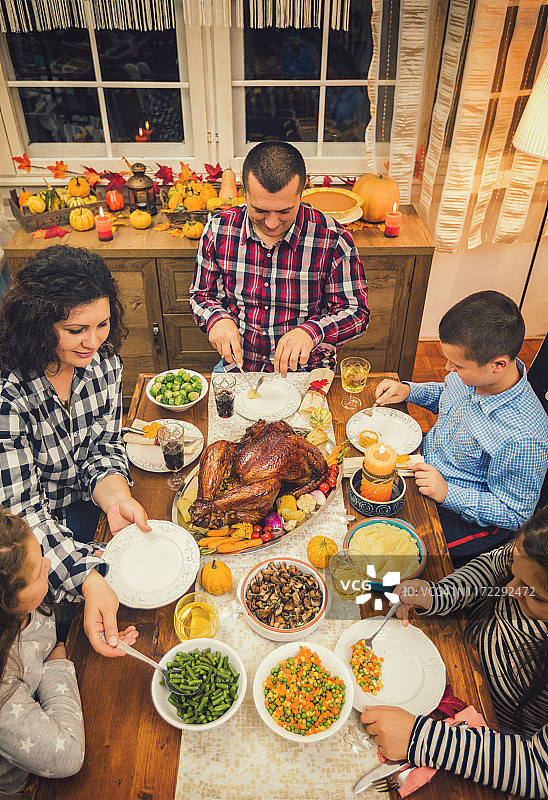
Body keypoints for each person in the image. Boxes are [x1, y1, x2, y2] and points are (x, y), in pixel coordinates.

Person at [0, 245, 151, 658]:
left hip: (88, 507)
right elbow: (23, 513)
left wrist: (116, 496)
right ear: (37, 324)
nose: (93, 342)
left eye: (103, 324)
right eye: (75, 329)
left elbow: (103, 446)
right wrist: (86, 576)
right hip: (31, 544)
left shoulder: (104, 363)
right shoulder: (8, 396)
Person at [360, 506, 548, 798]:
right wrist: (436, 594)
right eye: (515, 571)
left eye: (533, 594)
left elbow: (538, 768)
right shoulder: (530, 556)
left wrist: (420, 739)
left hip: (498, 741)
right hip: (463, 653)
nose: (510, 589)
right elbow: (492, 567)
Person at [374, 291, 548, 566]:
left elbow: (515, 514)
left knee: (386, 552)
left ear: (497, 365)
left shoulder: (524, 438)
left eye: (457, 365)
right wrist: (409, 390)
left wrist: (447, 493)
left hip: (463, 516)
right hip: (424, 465)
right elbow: (447, 394)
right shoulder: (472, 376)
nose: (447, 368)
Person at [190, 140, 370, 376]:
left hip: (307, 370)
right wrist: (217, 319)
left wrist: (311, 332)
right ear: (243, 192)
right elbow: (202, 295)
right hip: (240, 368)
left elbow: (356, 312)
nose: (272, 223)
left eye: (285, 211)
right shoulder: (218, 230)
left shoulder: (333, 238)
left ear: (302, 192)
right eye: (260, 210)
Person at [0, 509, 139, 797]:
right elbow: (69, 756)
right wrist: (57, 663)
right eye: (38, 572)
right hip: (24, 782)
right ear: (9, 601)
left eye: (41, 553)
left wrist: (93, 595)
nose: (48, 565)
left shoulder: (23, 593)